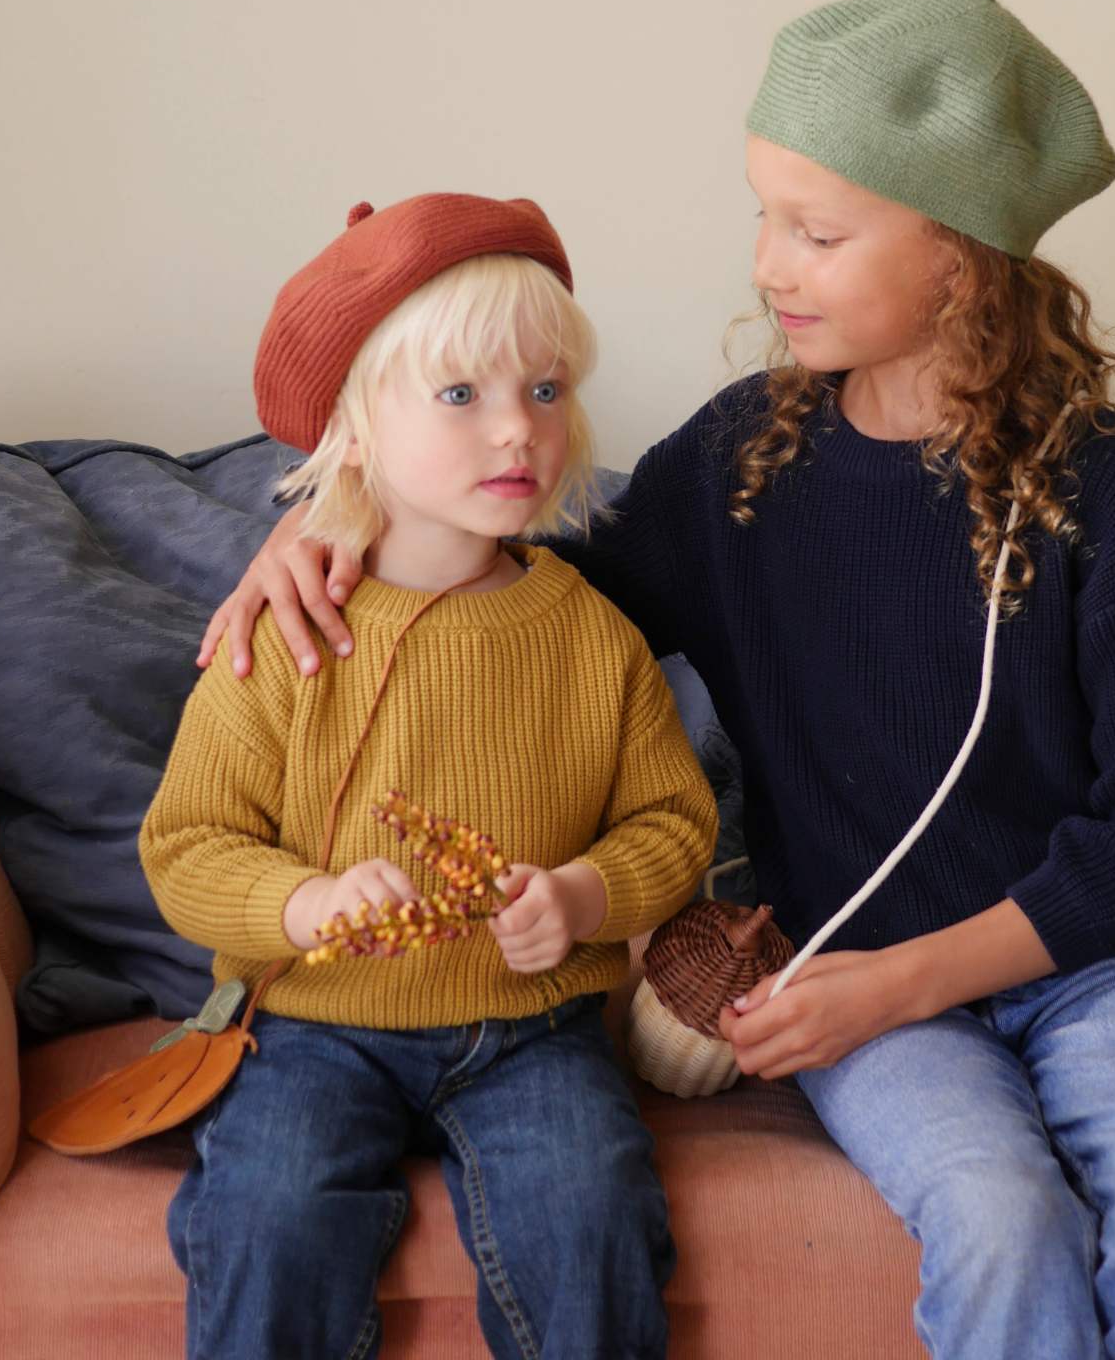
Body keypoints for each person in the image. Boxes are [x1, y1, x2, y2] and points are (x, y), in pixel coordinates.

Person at [202, 0, 1115, 1358]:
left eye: (817, 230)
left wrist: (902, 983)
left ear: (962, 252)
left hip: (1085, 971)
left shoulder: (1111, 489)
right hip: (857, 974)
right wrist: (321, 535)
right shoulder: (741, 466)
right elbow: (531, 594)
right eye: (764, 218)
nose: (770, 265)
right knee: (1002, 1215)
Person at [142, 192, 717, 1360]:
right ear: (352, 426)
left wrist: (587, 897)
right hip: (312, 1024)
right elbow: (187, 845)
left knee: (590, 1205)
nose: (518, 430)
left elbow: (671, 820)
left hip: (533, 1029)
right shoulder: (289, 634)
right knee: (268, 1209)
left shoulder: (588, 632)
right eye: (461, 395)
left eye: (545, 390)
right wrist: (300, 904)